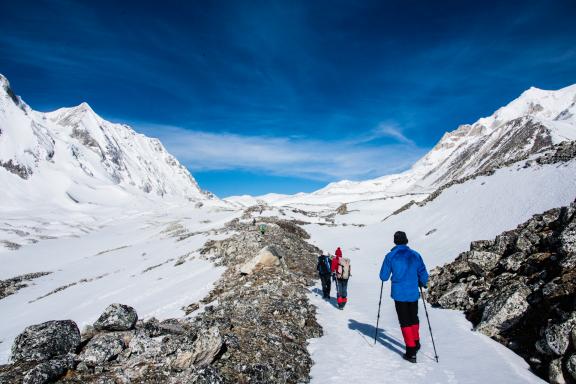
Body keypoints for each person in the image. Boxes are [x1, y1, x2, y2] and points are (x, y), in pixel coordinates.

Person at [379, 231, 429, 363]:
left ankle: (411, 351)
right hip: (413, 292)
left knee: (405, 321)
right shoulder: (415, 255)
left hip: (399, 294)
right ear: (406, 240)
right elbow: (423, 273)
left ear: (395, 241)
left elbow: (383, 276)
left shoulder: (390, 256)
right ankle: (416, 342)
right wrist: (424, 283)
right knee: (414, 317)